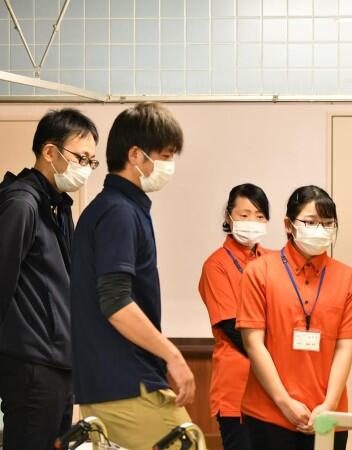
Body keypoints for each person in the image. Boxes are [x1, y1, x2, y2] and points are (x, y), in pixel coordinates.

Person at [70, 102, 196, 450]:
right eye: (165, 156)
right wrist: (173, 355)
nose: (169, 165)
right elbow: (115, 302)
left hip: (112, 382)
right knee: (189, 442)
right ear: (136, 155)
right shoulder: (118, 213)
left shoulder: (116, 208)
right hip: (125, 382)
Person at [237, 185, 352, 450]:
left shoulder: (348, 278)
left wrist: (329, 405)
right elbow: (253, 344)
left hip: (328, 416)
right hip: (269, 414)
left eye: (327, 223)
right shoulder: (259, 272)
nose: (320, 230)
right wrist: (284, 402)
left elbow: (345, 347)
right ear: (289, 225)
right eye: (310, 222)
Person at [0, 108, 99, 450]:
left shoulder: (58, 206)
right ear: (49, 151)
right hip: (32, 366)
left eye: (91, 161)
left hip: (59, 362)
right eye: (81, 158)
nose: (86, 167)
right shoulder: (21, 204)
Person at [199, 183, 272, 450]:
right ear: (229, 217)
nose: (252, 221)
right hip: (238, 386)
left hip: (278, 389)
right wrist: (280, 359)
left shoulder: (275, 261)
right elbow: (233, 328)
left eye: (260, 216)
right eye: (244, 215)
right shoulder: (216, 265)